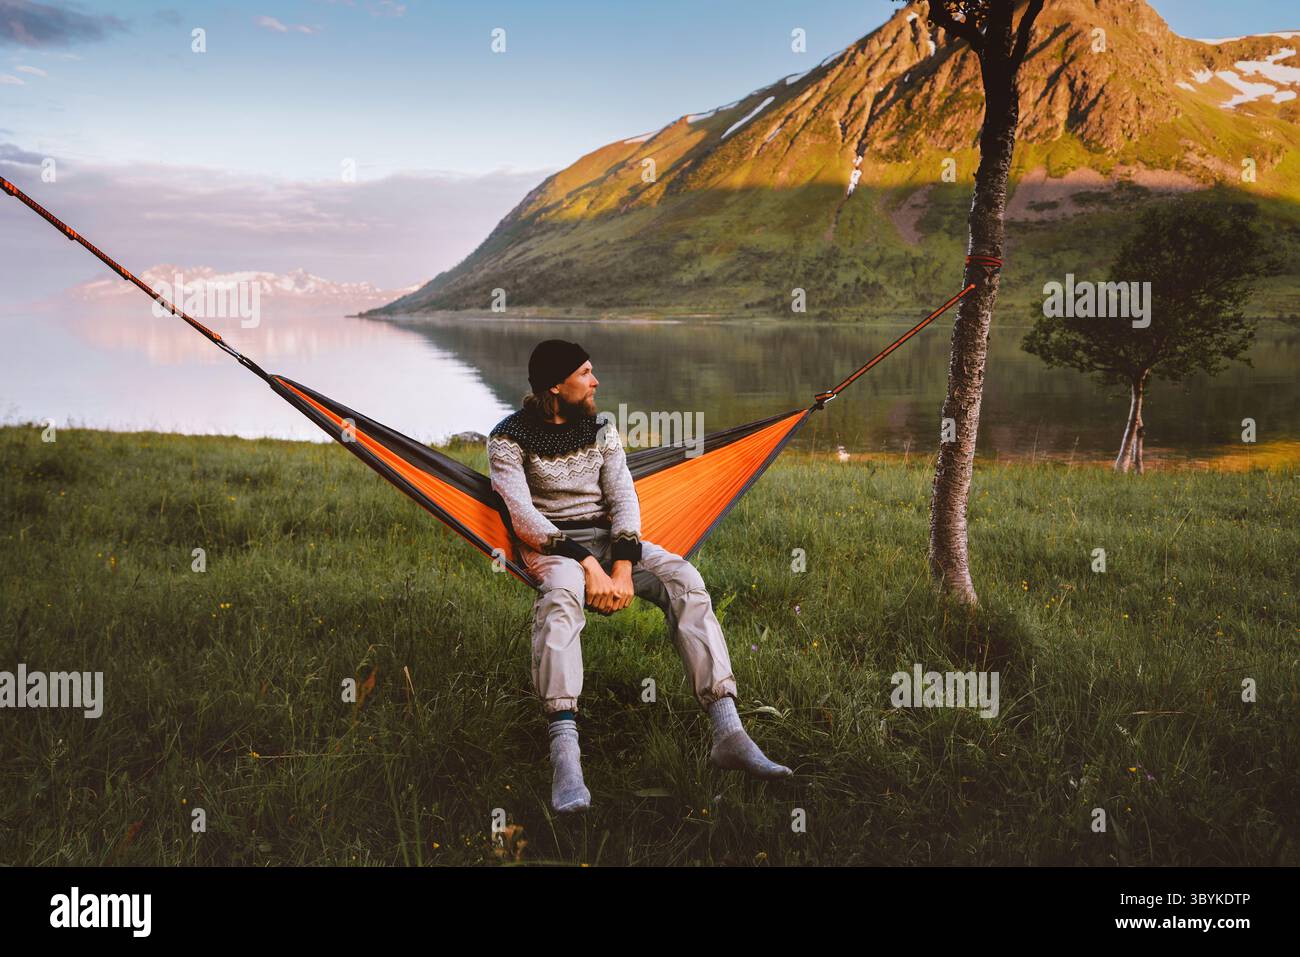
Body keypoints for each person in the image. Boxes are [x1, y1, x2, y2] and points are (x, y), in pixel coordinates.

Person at [488, 339, 793, 813]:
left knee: (684, 578)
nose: (596, 381)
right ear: (555, 384)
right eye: (585, 372)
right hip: (550, 547)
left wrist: (623, 566)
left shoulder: (602, 430)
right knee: (560, 599)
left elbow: (624, 499)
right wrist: (588, 564)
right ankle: (566, 755)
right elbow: (524, 519)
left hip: (612, 541)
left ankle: (728, 729)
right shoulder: (507, 439)